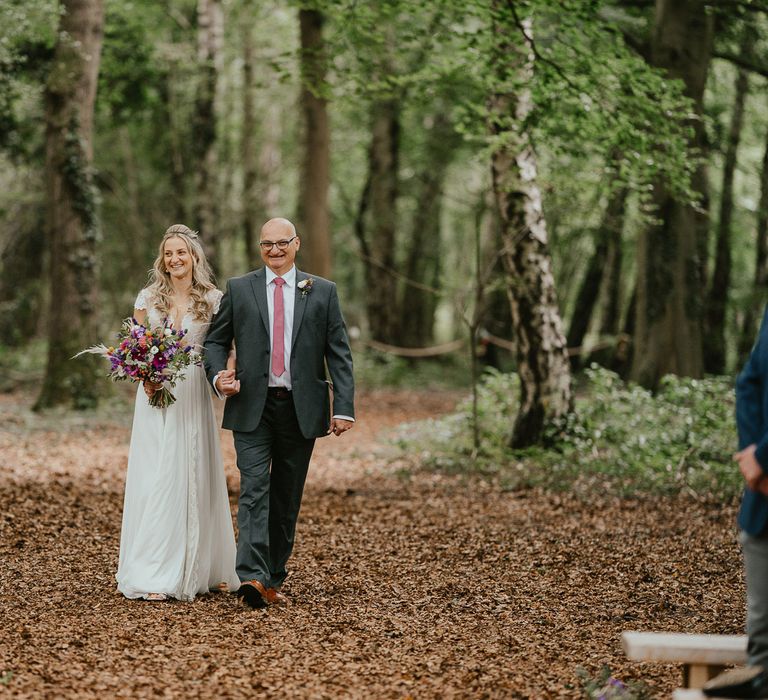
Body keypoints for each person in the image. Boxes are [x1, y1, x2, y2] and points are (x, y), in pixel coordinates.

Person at [203, 217, 355, 609]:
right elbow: (216, 342)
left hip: (301, 408)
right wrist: (219, 376)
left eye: (281, 243)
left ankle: (272, 575)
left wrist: (344, 408)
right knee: (254, 488)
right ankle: (251, 575)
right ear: (260, 247)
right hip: (252, 405)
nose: (274, 250)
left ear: (296, 244)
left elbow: (338, 353)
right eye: (267, 243)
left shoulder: (322, 291)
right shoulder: (239, 289)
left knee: (287, 495)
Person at [116, 224, 239, 601]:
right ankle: (154, 570)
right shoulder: (147, 297)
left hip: (192, 392)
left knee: (194, 470)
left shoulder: (214, 299)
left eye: (181, 252)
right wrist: (144, 376)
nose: (174, 259)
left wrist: (226, 376)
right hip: (155, 394)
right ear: (162, 259)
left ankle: (208, 563)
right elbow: (133, 346)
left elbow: (225, 347)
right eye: (168, 253)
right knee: (156, 474)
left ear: (194, 257)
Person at [705, 310, 768, 697]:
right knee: (761, 658)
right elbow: (749, 383)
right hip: (763, 508)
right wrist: (753, 462)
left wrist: (764, 456)